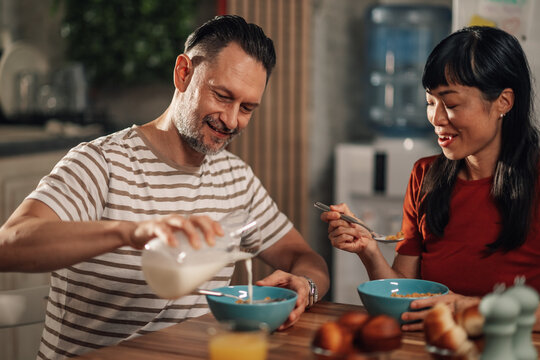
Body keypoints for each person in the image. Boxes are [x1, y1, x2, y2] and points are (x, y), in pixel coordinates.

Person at [0, 15, 329, 359]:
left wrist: (305, 286)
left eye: (246, 108)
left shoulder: (236, 177)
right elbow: (8, 244)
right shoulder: (102, 163)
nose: (231, 120)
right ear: (183, 73)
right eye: (222, 96)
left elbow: (305, 258)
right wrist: (131, 232)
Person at [321, 26, 540, 331]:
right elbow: (408, 295)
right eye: (430, 102)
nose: (436, 119)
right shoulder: (426, 176)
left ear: (503, 102)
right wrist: (369, 250)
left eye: (450, 104)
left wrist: (468, 307)